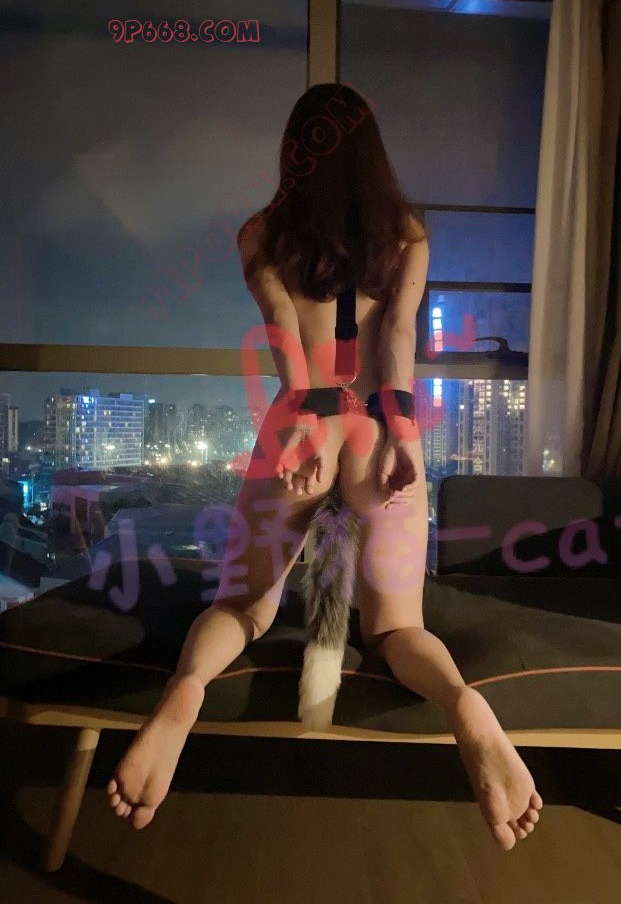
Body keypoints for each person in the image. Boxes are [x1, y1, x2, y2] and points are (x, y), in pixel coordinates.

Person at [106, 82, 542, 851]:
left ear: (293, 152)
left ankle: (187, 690)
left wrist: (308, 424)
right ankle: (462, 704)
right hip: (378, 426)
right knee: (397, 627)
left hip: (300, 424)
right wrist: (400, 434)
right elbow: (396, 336)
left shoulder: (261, 234)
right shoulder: (406, 233)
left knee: (245, 606)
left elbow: (285, 332)